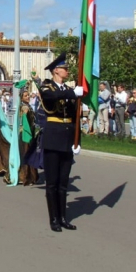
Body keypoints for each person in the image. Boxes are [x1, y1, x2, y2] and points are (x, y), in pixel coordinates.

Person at [39, 52, 83, 232]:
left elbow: (74, 117)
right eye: (65, 68)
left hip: (66, 139)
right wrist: (73, 92)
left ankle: (63, 217)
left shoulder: (66, 89)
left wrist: (77, 140)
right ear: (56, 70)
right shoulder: (46, 87)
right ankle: (54, 219)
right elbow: (50, 98)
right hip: (52, 138)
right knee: (52, 183)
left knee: (63, 182)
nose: (67, 70)